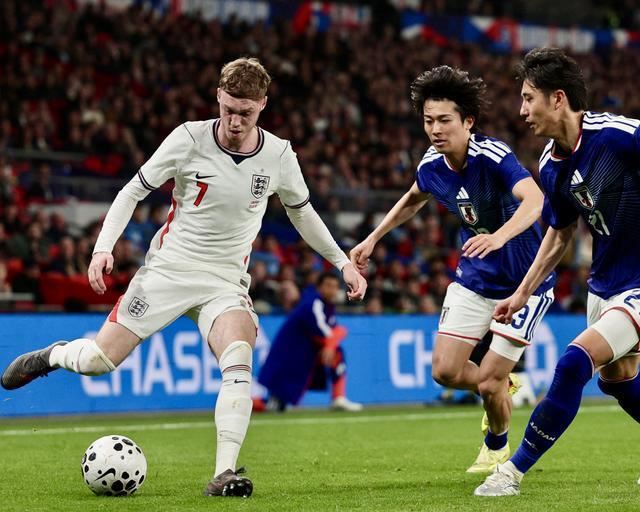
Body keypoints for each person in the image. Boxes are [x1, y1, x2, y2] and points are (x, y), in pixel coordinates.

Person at [1, 57, 367, 498]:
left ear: (263, 105)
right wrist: (103, 247)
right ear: (218, 96)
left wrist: (342, 262)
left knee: (239, 357)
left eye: (246, 113)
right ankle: (54, 355)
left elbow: (302, 213)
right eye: (229, 109)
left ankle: (224, 473)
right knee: (99, 362)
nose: (235, 121)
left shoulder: (279, 155)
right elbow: (132, 191)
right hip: (168, 272)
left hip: (225, 282)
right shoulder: (188, 138)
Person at [350, 65, 555, 474]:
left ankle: (496, 446)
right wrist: (373, 238)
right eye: (428, 121)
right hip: (475, 279)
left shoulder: (493, 157)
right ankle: (503, 385)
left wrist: (498, 237)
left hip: (524, 283)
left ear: (468, 122)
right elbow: (414, 197)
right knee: (444, 372)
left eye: (444, 120)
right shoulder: (431, 164)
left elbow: (535, 201)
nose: (435, 129)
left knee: (488, 381)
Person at [475, 47, 640, 496]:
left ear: (558, 98)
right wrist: (522, 293)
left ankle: (510, 473)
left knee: (572, 363)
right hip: (605, 284)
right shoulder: (551, 165)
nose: (522, 110)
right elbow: (559, 233)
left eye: (529, 98)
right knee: (619, 382)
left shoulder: (619, 137)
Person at [257, 272, 363, 413]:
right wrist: (336, 338)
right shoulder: (314, 303)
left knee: (337, 353)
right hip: (289, 357)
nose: (332, 290)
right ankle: (240, 404)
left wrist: (333, 340)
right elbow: (327, 332)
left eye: (335, 287)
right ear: (319, 287)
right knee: (275, 405)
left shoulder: (326, 305)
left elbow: (330, 332)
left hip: (302, 356)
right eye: (328, 286)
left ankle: (339, 398)